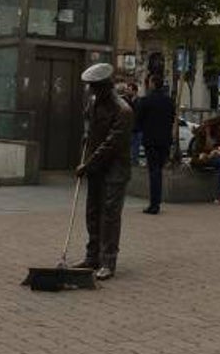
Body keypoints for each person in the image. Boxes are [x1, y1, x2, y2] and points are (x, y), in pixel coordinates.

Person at [75, 63, 133, 280]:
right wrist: (86, 136)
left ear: (105, 86)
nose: (90, 91)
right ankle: (92, 256)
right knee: (92, 212)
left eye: (94, 87)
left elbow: (111, 144)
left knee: (109, 215)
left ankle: (108, 261)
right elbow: (89, 127)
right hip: (96, 167)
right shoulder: (93, 103)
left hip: (115, 169)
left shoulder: (123, 111)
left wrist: (87, 165)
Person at [134, 73, 175, 214]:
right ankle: (156, 202)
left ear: (152, 84)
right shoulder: (169, 101)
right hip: (165, 141)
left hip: (151, 141)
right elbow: (172, 119)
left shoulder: (146, 101)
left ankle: (154, 204)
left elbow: (137, 121)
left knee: (154, 172)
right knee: (159, 171)